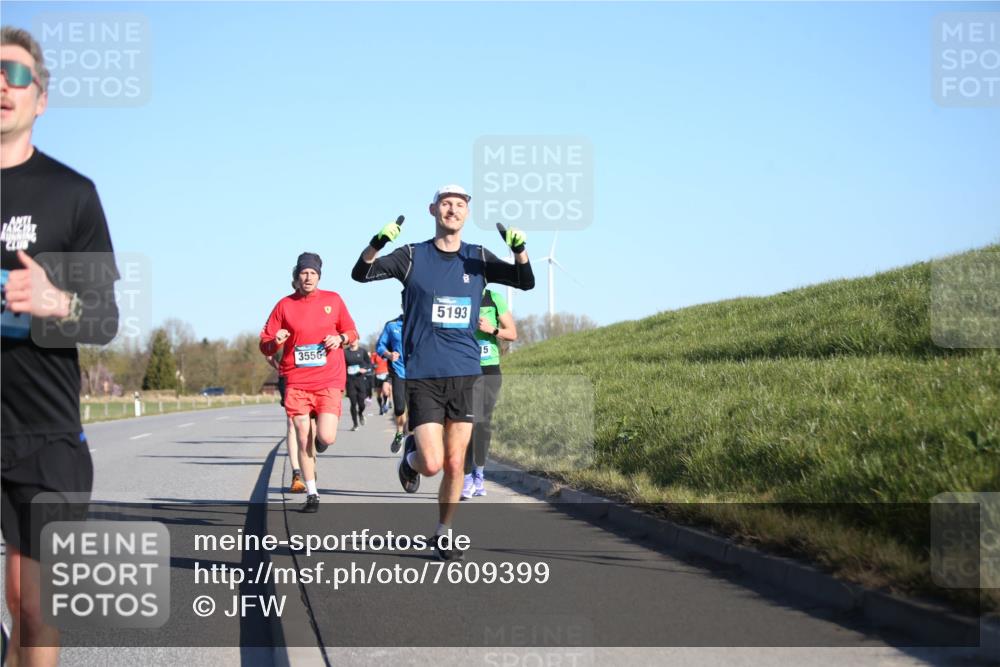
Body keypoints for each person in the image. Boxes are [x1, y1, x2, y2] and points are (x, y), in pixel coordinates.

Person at [1, 26, 120, 667]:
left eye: (17, 75)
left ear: (40, 98)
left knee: (32, 605)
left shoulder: (72, 195)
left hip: (41, 432)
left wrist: (55, 302)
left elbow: (103, 320)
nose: (3, 83)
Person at [352, 185, 534, 561]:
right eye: (447, 204)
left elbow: (524, 280)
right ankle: (410, 458)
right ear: (433, 209)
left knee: (455, 462)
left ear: (467, 213)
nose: (453, 210)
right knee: (432, 463)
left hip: (467, 374)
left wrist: (519, 250)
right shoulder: (412, 256)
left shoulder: (477, 257)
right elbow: (360, 273)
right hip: (424, 376)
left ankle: (443, 531)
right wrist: (377, 242)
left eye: (461, 205)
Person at [260, 252, 357, 513]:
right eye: (304, 273)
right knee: (303, 436)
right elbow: (265, 343)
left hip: (328, 378)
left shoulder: (333, 300)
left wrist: (341, 340)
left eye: (313, 273)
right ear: (296, 276)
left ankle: (321, 442)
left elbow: (351, 331)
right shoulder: (284, 305)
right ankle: (312, 493)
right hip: (297, 379)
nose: (308, 277)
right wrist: (276, 341)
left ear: (319, 276)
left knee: (325, 436)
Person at [462, 288, 516, 499]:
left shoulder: (493, 298)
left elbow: (512, 333)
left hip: (489, 368)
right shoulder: (460, 295)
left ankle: (479, 474)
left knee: (483, 424)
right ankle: (466, 479)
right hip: (464, 368)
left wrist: (492, 329)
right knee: (465, 424)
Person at [376, 304, 406, 452]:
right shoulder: (392, 325)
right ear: (402, 305)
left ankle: (415, 443)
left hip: (420, 374)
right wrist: (389, 354)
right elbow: (380, 346)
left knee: (418, 411)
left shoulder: (424, 324)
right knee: (400, 408)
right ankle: (400, 433)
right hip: (399, 371)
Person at [343, 337, 372, 431]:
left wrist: (365, 369)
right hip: (350, 381)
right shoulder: (345, 352)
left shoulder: (363, 351)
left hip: (361, 380)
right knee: (353, 403)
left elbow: (369, 364)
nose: (353, 341)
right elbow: (342, 365)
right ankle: (355, 424)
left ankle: (360, 413)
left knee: (361, 404)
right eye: (351, 340)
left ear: (358, 340)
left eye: (354, 339)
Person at [370, 348, 390, 416]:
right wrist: (373, 365)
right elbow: (371, 362)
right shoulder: (375, 354)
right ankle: (381, 407)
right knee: (379, 394)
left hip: (386, 374)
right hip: (377, 375)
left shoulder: (388, 353)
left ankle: (385, 404)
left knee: (385, 391)